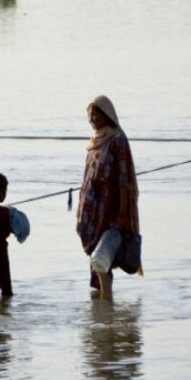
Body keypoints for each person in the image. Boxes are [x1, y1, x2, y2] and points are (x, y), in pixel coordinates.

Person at [76, 95, 140, 300]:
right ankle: (102, 302)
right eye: (90, 115)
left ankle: (107, 303)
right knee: (97, 255)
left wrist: (122, 211)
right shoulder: (94, 142)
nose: (92, 119)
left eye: (96, 115)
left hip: (110, 208)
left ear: (106, 115)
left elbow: (123, 178)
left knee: (102, 256)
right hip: (93, 210)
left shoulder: (117, 140)